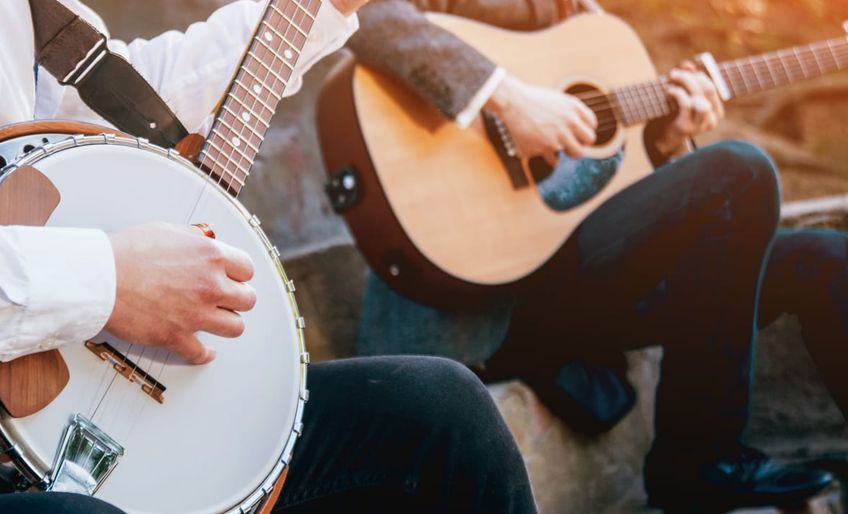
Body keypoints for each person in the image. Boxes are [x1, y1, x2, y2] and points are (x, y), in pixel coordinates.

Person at [0, 0, 537, 513]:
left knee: (435, 414)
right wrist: (105, 282)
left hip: (19, 411)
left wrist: (317, 14)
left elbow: (127, 109)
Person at [345, 0, 836, 512]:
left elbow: (610, 179)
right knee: (741, 170)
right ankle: (697, 460)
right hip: (493, 280)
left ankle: (701, 459)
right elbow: (364, 13)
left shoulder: (588, 21)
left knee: (825, 257)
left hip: (592, 279)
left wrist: (665, 140)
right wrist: (506, 98)